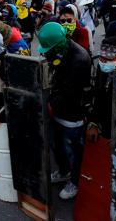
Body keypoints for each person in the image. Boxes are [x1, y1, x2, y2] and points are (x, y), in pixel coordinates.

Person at [38, 22, 91, 200]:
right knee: (56, 144)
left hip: (73, 112)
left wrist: (48, 105)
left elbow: (69, 92)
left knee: (73, 149)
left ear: (59, 44)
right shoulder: (59, 52)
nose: (45, 52)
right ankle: (63, 170)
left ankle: (74, 181)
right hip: (57, 108)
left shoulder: (80, 59)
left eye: (48, 48)